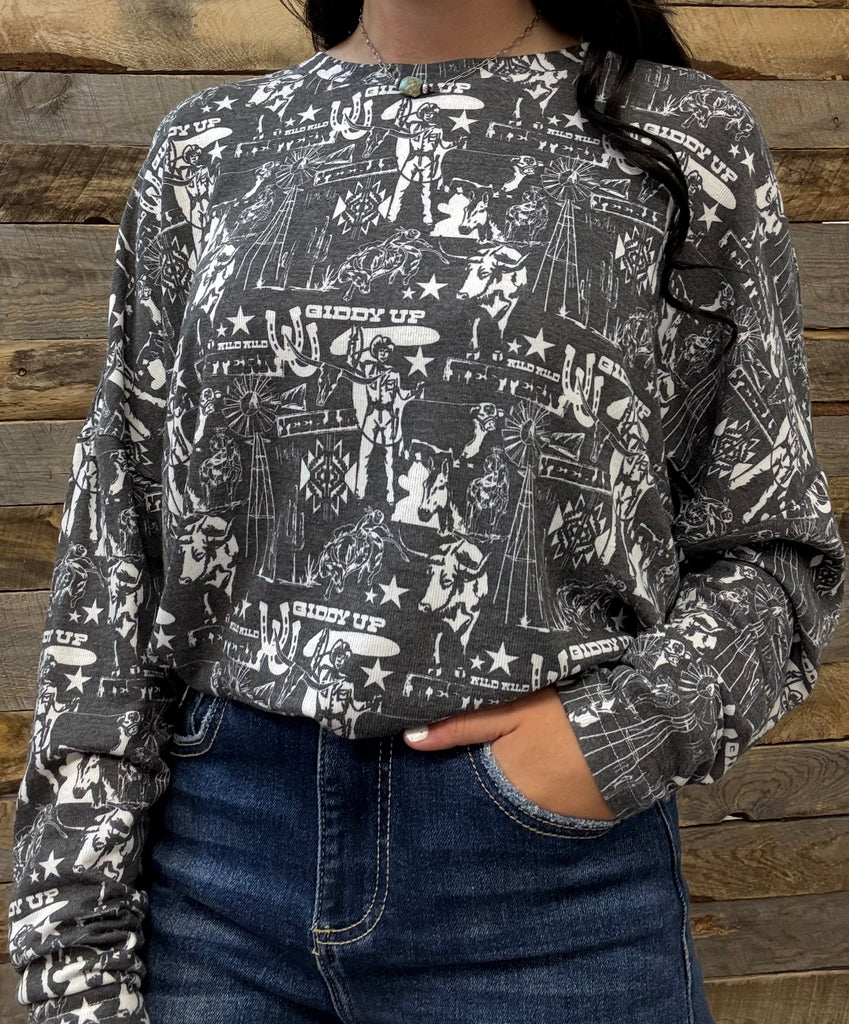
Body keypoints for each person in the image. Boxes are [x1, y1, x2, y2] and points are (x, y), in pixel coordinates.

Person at [8, 0, 845, 1021]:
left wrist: (606, 741)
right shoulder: (210, 146)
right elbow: (114, 552)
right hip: (219, 879)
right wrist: (72, 936)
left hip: (546, 896)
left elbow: (774, 544)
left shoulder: (679, 138)